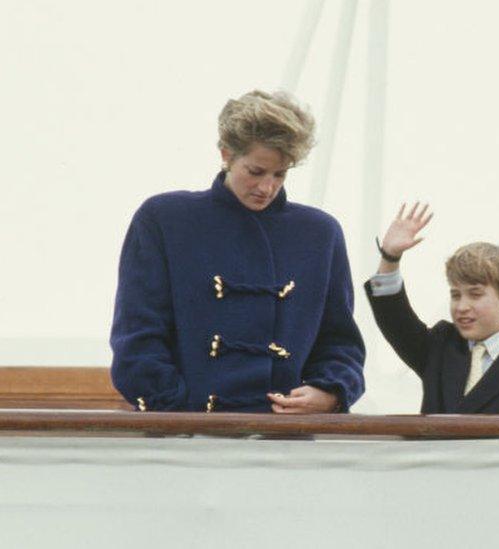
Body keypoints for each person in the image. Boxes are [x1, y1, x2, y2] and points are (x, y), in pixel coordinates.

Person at [110, 90, 365, 413]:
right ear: (226, 154)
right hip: (185, 441)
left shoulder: (321, 233)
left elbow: (340, 344)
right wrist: (180, 411)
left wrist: (329, 392)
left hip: (286, 444)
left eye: (280, 174)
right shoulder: (164, 219)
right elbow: (137, 337)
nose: (267, 188)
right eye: (255, 171)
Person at [364, 204, 499, 413]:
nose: (461, 306)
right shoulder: (440, 346)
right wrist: (390, 257)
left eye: (475, 294)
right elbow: (395, 319)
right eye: (455, 295)